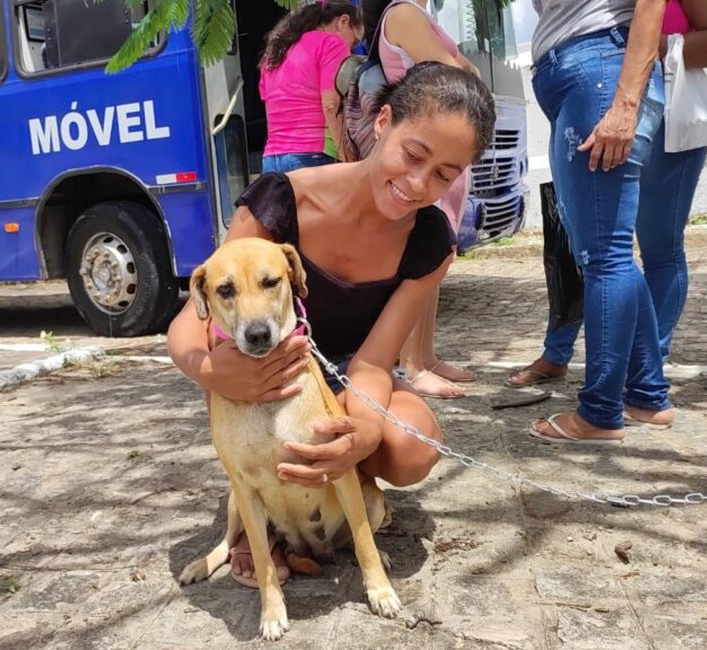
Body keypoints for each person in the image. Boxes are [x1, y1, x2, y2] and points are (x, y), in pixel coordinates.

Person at [168, 63, 495, 586]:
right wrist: (210, 371)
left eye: (444, 174)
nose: (418, 183)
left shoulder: (429, 242)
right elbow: (192, 320)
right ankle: (271, 517)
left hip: (348, 373)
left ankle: (329, 494)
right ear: (383, 121)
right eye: (414, 154)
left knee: (414, 447)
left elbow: (371, 360)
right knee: (231, 361)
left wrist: (361, 435)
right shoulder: (280, 202)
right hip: (269, 368)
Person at [509, 0, 707, 393]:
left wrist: (642, 44)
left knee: (651, 249)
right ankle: (563, 352)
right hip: (594, 90)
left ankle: (643, 373)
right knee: (581, 245)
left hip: (664, 108)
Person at [526, 0, 673, 444]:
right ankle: (647, 396)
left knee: (605, 255)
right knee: (609, 252)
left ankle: (600, 413)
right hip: (582, 75)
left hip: (600, 72)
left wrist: (626, 104)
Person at [361, 0, 482, 399]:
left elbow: (469, 82)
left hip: (438, 157)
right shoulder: (403, 14)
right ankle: (412, 364)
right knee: (418, 262)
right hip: (428, 149)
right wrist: (464, 69)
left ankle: (425, 356)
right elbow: (458, 79)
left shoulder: (420, 14)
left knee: (435, 260)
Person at [259, 0, 362, 174]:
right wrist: (348, 159)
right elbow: (331, 106)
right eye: (355, 39)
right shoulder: (332, 43)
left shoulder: (275, 52)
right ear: (343, 21)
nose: (352, 47)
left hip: (272, 158)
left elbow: (271, 108)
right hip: (312, 155)